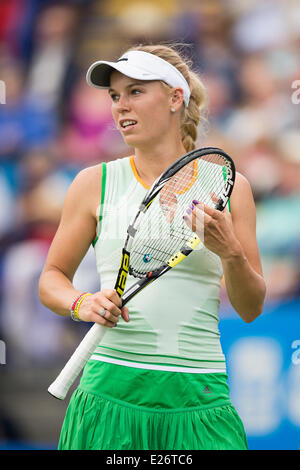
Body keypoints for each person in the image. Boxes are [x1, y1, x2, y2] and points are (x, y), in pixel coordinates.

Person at [38, 44, 266, 450]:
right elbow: (51, 279)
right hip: (108, 397)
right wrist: (81, 303)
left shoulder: (232, 189)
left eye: (135, 92)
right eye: (114, 96)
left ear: (176, 98)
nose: (120, 106)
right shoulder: (92, 183)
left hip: (201, 402)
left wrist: (231, 252)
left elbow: (250, 308)